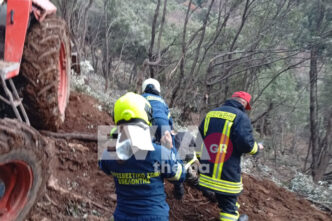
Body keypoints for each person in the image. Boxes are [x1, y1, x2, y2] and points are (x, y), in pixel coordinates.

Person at [99, 92, 186, 221]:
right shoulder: (158, 153)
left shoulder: (108, 155)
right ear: (147, 117)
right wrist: (170, 149)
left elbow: (105, 167)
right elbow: (179, 175)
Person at [197, 91, 264, 221]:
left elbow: (199, 140)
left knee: (225, 198)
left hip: (206, 174)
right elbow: (246, 144)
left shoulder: (211, 113)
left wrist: (202, 161)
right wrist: (257, 148)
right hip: (226, 175)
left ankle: (228, 207)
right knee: (229, 208)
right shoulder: (240, 117)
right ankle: (231, 216)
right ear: (244, 103)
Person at [141, 78, 184, 200]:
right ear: (158, 89)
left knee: (145, 152)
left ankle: (145, 177)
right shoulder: (162, 102)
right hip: (163, 125)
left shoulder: (141, 98)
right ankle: (178, 186)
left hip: (146, 123)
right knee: (170, 151)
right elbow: (169, 120)